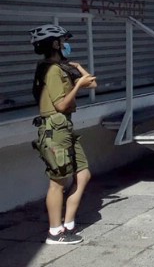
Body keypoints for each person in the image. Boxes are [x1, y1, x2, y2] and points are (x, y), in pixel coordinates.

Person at [29, 24, 97, 245]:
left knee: (83, 174)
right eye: (63, 40)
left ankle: (68, 225)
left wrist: (78, 68)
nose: (67, 44)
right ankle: (55, 232)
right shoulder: (53, 70)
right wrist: (78, 87)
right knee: (57, 182)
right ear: (56, 44)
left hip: (64, 129)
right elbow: (60, 105)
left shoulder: (58, 67)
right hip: (55, 130)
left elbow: (93, 83)